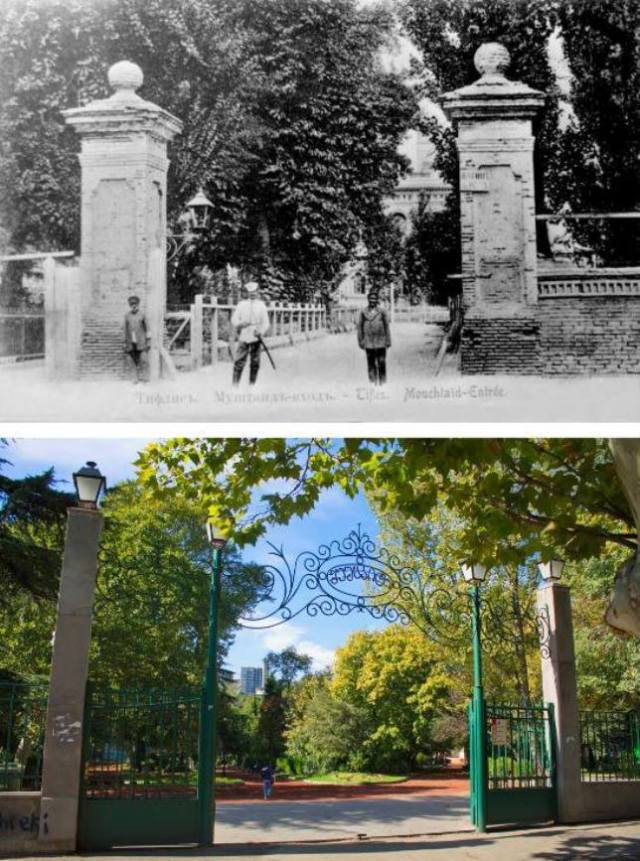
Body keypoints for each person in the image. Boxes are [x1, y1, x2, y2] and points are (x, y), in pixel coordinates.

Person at [230, 281, 270, 385]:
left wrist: (261, 331)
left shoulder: (261, 305)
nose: (252, 294)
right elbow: (234, 319)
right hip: (244, 335)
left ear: (257, 292)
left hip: (256, 336)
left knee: (255, 362)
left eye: (254, 291)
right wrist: (240, 324)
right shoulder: (241, 305)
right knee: (239, 361)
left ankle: (252, 385)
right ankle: (235, 386)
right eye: (250, 292)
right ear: (247, 293)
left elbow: (266, 323)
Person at [357, 289, 391, 385]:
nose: (372, 300)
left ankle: (383, 383)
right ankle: (373, 383)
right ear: (368, 299)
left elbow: (386, 326)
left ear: (377, 300)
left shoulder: (382, 311)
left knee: (381, 363)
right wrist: (361, 341)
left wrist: (388, 340)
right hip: (368, 342)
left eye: (374, 298)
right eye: (370, 298)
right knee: (371, 363)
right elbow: (359, 327)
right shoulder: (363, 312)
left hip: (381, 341)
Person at [123, 295, 150, 383]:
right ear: (129, 305)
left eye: (135, 304)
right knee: (132, 361)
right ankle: (134, 378)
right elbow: (125, 329)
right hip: (131, 342)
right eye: (132, 304)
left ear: (138, 304)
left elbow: (148, 328)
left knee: (144, 360)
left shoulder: (142, 314)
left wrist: (149, 340)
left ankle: (145, 378)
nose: (133, 306)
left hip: (141, 341)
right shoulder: (127, 315)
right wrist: (124, 342)